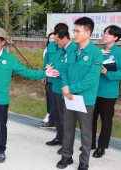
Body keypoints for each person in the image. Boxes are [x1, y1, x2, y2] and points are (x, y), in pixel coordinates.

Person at [0, 27, 60, 164]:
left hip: (0, 100)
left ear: (3, 42)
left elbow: (27, 72)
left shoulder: (10, 59)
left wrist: (44, 73)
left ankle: (0, 150)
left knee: (1, 127)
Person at [57, 17, 103, 170]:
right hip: (69, 97)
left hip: (85, 99)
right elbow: (63, 70)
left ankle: (84, 161)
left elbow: (91, 79)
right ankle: (66, 156)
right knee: (68, 128)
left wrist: (71, 89)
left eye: (77, 31)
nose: (74, 34)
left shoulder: (96, 54)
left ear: (88, 32)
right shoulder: (70, 50)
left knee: (86, 133)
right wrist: (65, 88)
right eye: (74, 31)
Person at [45, 23, 77, 155]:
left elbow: (72, 69)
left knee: (66, 118)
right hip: (55, 85)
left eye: (57, 40)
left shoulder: (74, 49)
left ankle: (66, 143)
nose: (55, 42)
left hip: (66, 88)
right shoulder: (61, 48)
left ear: (64, 38)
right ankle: (59, 137)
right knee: (57, 115)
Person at [91, 25, 121, 158]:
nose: (104, 36)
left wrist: (107, 73)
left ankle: (101, 147)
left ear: (116, 37)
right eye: (104, 33)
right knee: (90, 118)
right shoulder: (99, 51)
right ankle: (89, 142)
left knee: (106, 120)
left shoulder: (119, 53)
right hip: (93, 91)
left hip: (108, 93)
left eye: (108, 34)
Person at [42, 33, 55, 123]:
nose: (52, 40)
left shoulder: (61, 49)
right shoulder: (47, 50)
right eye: (50, 38)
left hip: (56, 77)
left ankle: (53, 119)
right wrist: (44, 75)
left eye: (54, 38)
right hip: (49, 76)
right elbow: (46, 63)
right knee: (50, 98)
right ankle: (50, 116)